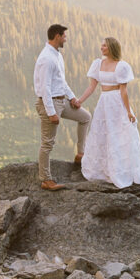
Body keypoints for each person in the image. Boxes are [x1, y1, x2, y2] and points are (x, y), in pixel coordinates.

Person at [74, 36, 140, 188]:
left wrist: (128, 112)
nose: (101, 48)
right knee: (102, 133)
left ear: (111, 47)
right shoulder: (98, 64)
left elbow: (123, 91)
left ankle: (120, 170)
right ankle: (104, 170)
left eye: (104, 46)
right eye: (102, 45)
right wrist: (80, 101)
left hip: (117, 103)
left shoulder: (121, 66)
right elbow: (92, 87)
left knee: (119, 135)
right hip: (104, 102)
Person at [33, 23, 91, 191]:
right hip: (49, 103)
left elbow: (60, 82)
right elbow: (45, 88)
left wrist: (72, 97)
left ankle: (81, 154)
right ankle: (45, 180)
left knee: (85, 117)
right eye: (64, 36)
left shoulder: (57, 55)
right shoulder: (47, 59)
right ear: (57, 36)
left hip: (61, 101)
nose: (66, 38)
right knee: (47, 143)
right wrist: (51, 112)